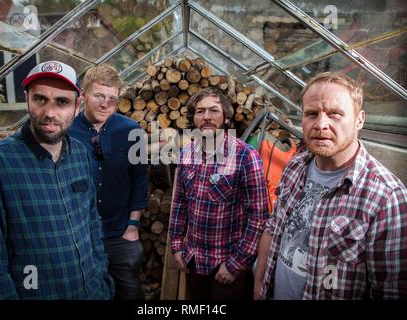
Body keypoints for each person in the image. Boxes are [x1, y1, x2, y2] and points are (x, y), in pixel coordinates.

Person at [0, 60, 114, 299]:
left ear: (77, 106)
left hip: (91, 291)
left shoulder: (80, 154)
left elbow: (91, 221)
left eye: (62, 102)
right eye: (40, 99)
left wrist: (101, 276)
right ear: (27, 100)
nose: (49, 113)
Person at [253, 72, 407, 300]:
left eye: (335, 114)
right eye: (311, 114)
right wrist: (258, 286)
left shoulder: (386, 198)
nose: (321, 125)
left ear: (359, 120)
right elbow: (274, 228)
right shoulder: (296, 167)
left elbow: (390, 291)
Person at [168, 88, 269, 299]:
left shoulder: (244, 155)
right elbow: (179, 204)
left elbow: (259, 216)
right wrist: (177, 246)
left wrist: (236, 264)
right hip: (193, 261)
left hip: (226, 264)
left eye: (213, 110)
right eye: (200, 111)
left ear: (225, 117)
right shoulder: (187, 153)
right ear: (193, 118)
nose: (206, 117)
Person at [69, 64, 148, 300]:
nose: (105, 104)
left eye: (112, 98)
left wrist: (133, 226)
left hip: (120, 233)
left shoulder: (132, 131)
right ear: (83, 96)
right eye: (99, 96)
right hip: (80, 235)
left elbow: (140, 180)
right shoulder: (65, 131)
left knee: (130, 293)